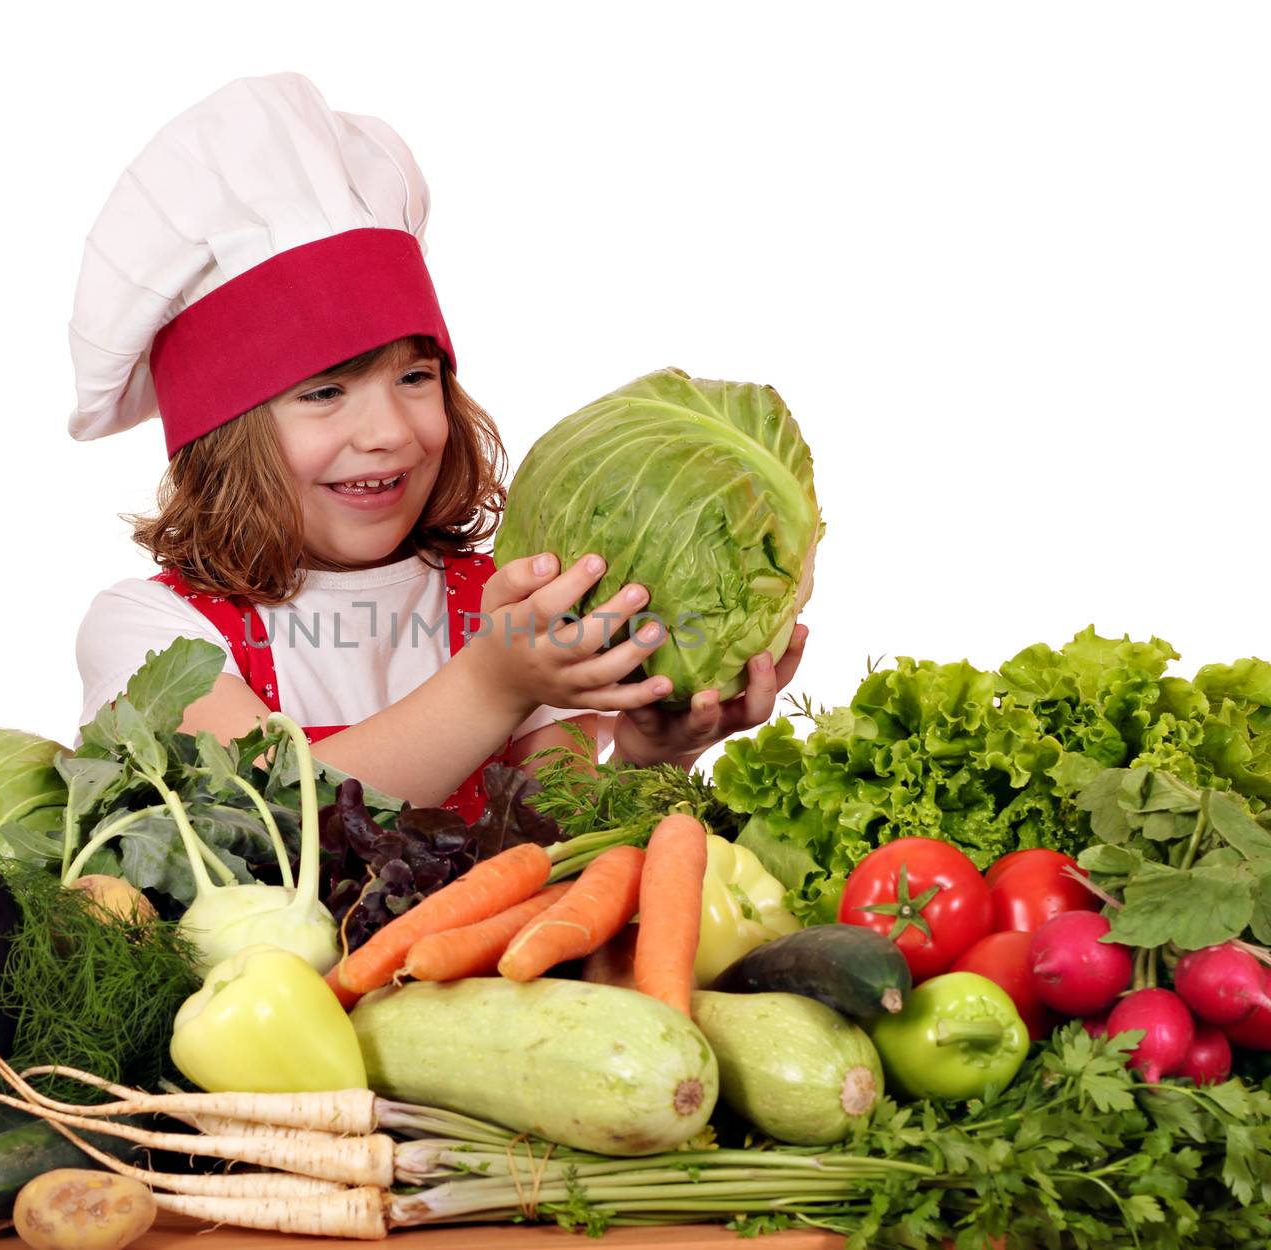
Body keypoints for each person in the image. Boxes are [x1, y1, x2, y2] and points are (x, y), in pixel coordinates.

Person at [69, 73, 805, 823]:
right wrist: (492, 685)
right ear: (222, 437)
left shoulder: (518, 604)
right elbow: (263, 823)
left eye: (416, 377)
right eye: (325, 392)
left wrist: (654, 753)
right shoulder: (155, 635)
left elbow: (560, 852)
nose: (390, 432)